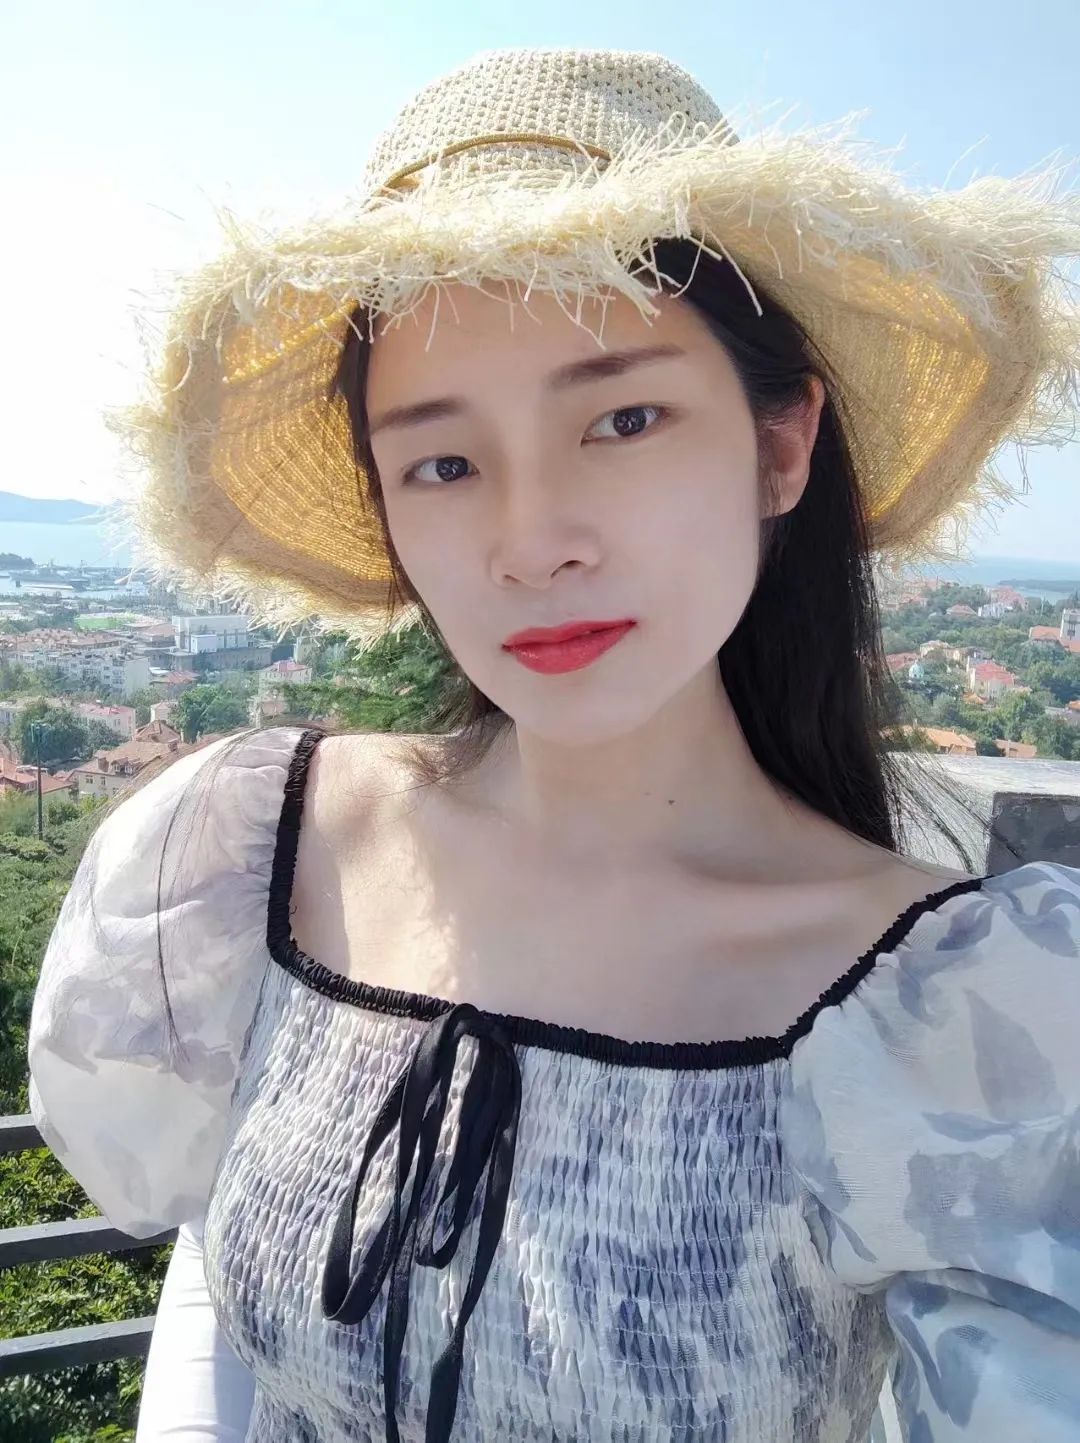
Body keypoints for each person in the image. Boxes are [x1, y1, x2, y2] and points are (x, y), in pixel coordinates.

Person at [26, 45, 1080, 1443]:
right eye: (444, 462)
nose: (531, 543)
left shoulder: (961, 1018)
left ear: (780, 448)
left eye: (623, 418)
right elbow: (216, 1281)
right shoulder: (245, 851)